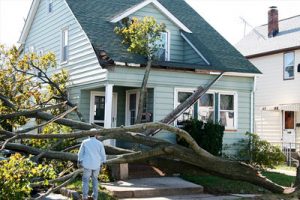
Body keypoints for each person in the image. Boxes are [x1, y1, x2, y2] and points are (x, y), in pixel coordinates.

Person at [78, 130, 106, 200]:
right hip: (96, 165)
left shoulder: (84, 142)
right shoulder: (99, 143)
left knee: (85, 180)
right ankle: (95, 197)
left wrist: (79, 161)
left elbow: (80, 153)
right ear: (96, 135)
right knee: (95, 180)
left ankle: (85, 197)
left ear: (89, 134)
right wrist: (103, 162)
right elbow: (103, 154)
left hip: (87, 164)